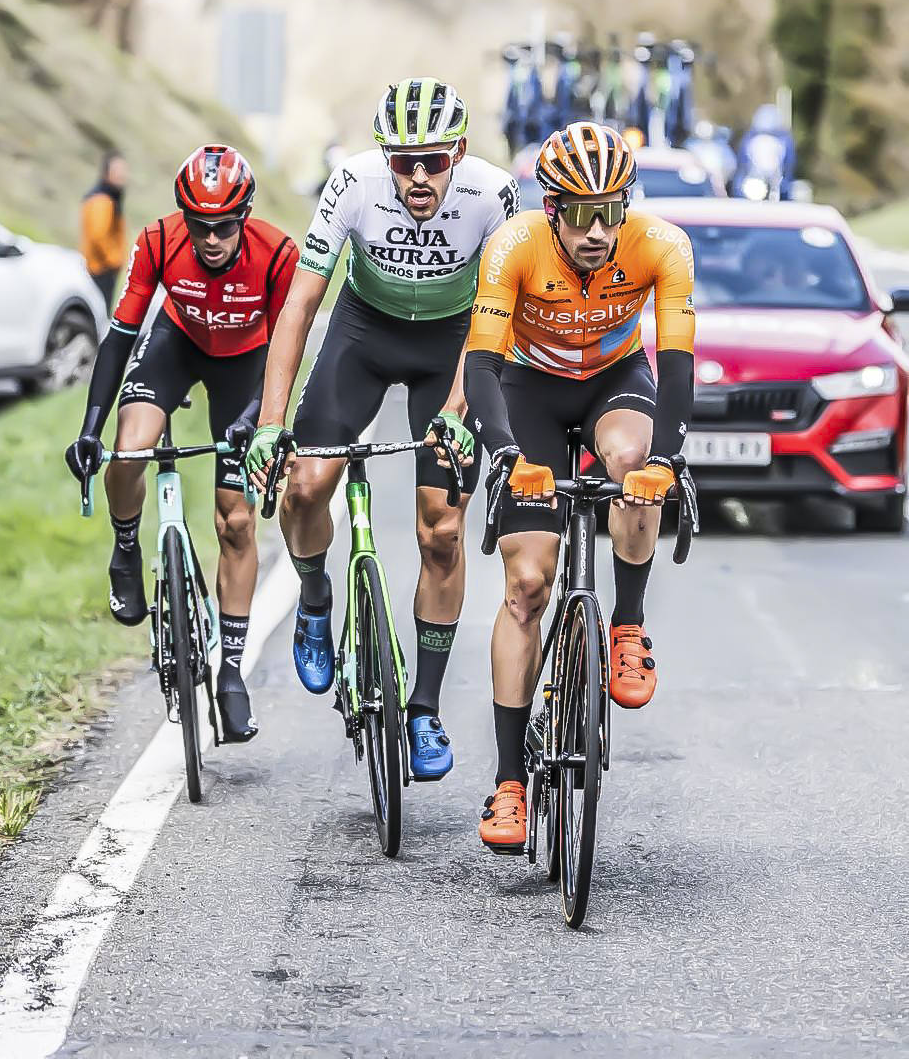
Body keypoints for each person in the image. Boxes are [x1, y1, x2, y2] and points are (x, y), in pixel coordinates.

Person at [246, 77, 520, 781]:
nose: (419, 175)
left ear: (459, 150)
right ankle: (314, 599)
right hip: (363, 336)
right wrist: (271, 424)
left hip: (452, 345)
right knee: (303, 488)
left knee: (440, 529)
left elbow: (494, 321)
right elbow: (300, 307)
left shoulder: (490, 195)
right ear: (383, 158)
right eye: (403, 161)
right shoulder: (351, 184)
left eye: (432, 159)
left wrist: (458, 415)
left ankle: (423, 707)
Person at [464, 121, 695, 854]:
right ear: (550, 207)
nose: (596, 230)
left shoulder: (662, 246)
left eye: (610, 210)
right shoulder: (513, 246)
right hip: (528, 386)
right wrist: (506, 453)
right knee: (526, 585)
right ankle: (509, 782)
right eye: (579, 213)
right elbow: (479, 367)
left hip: (613, 382)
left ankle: (624, 624)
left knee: (634, 462)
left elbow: (677, 363)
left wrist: (666, 459)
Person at [64, 145, 298, 742]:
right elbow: (119, 336)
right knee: (132, 448)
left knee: (236, 521)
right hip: (177, 342)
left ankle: (232, 675)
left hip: (246, 362)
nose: (211, 238)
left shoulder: (277, 255)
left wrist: (254, 418)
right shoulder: (158, 241)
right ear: (184, 219)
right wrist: (91, 428)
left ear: (243, 217)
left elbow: (284, 356)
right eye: (199, 225)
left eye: (223, 226)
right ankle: (124, 550)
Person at [80, 150, 130, 311]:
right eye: (117, 171)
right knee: (97, 315)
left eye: (124, 171)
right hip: (99, 270)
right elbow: (98, 236)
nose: (122, 176)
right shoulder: (101, 201)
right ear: (106, 173)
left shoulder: (109, 198)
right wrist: (114, 260)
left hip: (101, 269)